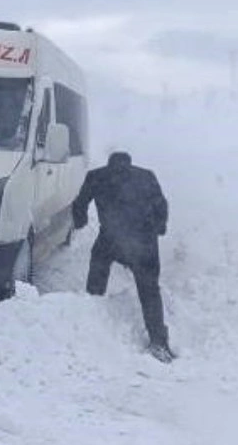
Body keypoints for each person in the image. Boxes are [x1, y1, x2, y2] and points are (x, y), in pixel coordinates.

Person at [72, 151, 174, 362]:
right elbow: (161, 205)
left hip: (112, 238)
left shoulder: (97, 176)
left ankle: (90, 315)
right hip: (144, 241)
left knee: (98, 268)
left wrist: (79, 220)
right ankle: (158, 341)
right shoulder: (146, 176)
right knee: (149, 290)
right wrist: (159, 227)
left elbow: (80, 203)